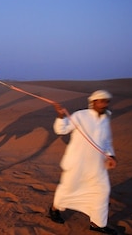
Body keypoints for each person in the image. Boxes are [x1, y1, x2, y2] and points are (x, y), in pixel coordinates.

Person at [49, 90, 117, 235]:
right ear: (93, 102)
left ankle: (98, 224)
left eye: (106, 101)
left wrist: (111, 156)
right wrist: (60, 115)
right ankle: (54, 210)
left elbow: (107, 141)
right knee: (67, 189)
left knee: (102, 192)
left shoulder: (105, 119)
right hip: (77, 163)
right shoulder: (80, 115)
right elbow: (61, 130)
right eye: (102, 101)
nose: (105, 104)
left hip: (97, 166)